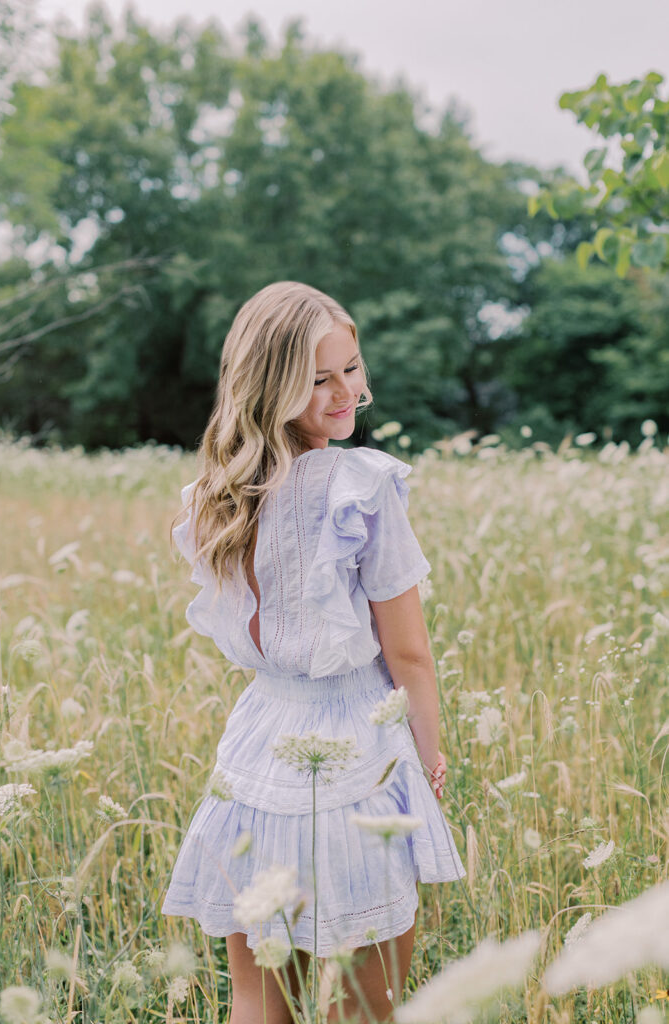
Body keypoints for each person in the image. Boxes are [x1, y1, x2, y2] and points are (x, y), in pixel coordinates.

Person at [161, 281, 466, 1023]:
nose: (343, 392)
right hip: (358, 756)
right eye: (318, 378)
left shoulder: (217, 492)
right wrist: (426, 764)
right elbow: (410, 656)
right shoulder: (362, 486)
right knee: (362, 1007)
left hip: (257, 752)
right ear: (270, 386)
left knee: (257, 1002)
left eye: (350, 369)